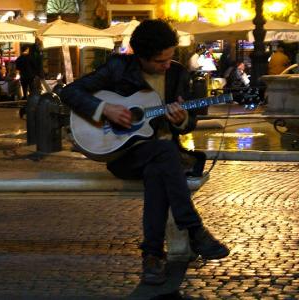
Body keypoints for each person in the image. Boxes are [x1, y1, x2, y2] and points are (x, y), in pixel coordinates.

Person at [61, 19, 229, 286]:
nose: (167, 65)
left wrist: (181, 120)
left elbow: (189, 121)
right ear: (140, 57)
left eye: (170, 58)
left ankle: (152, 256)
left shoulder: (177, 73)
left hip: (163, 156)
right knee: (163, 155)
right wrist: (104, 108)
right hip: (123, 155)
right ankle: (194, 229)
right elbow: (70, 92)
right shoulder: (118, 67)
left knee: (159, 165)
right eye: (160, 61)